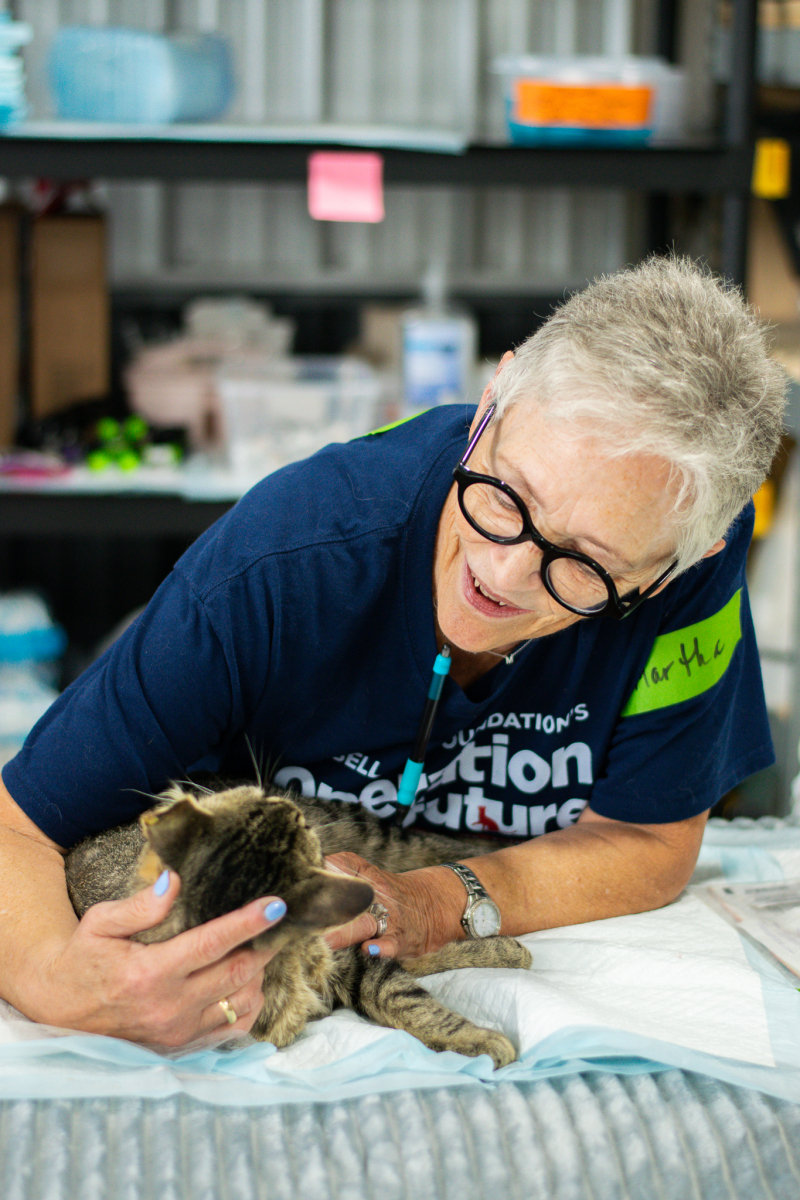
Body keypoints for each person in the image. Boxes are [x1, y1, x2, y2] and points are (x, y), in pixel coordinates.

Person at [0, 255, 786, 1048]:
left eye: (584, 564)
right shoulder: (284, 558)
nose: (500, 574)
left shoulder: (682, 542)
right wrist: (54, 983)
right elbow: (15, 827)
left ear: (680, 563)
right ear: (492, 400)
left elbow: (651, 840)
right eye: (506, 494)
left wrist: (441, 899)